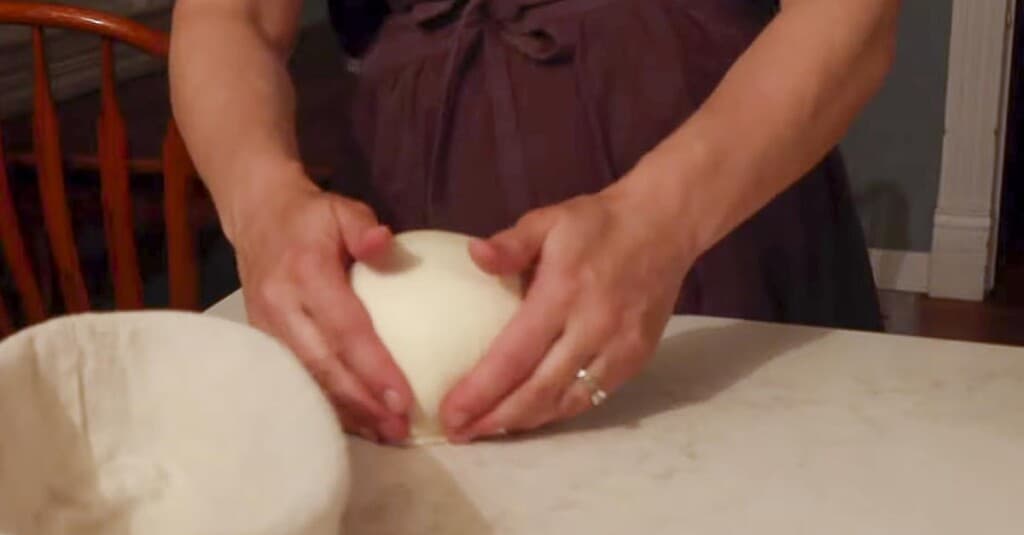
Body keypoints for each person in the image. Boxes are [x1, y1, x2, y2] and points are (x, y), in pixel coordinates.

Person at [168, 0, 900, 444]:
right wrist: (261, 203)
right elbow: (228, 15)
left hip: (708, 184)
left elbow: (849, 15)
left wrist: (661, 221)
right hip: (413, 192)